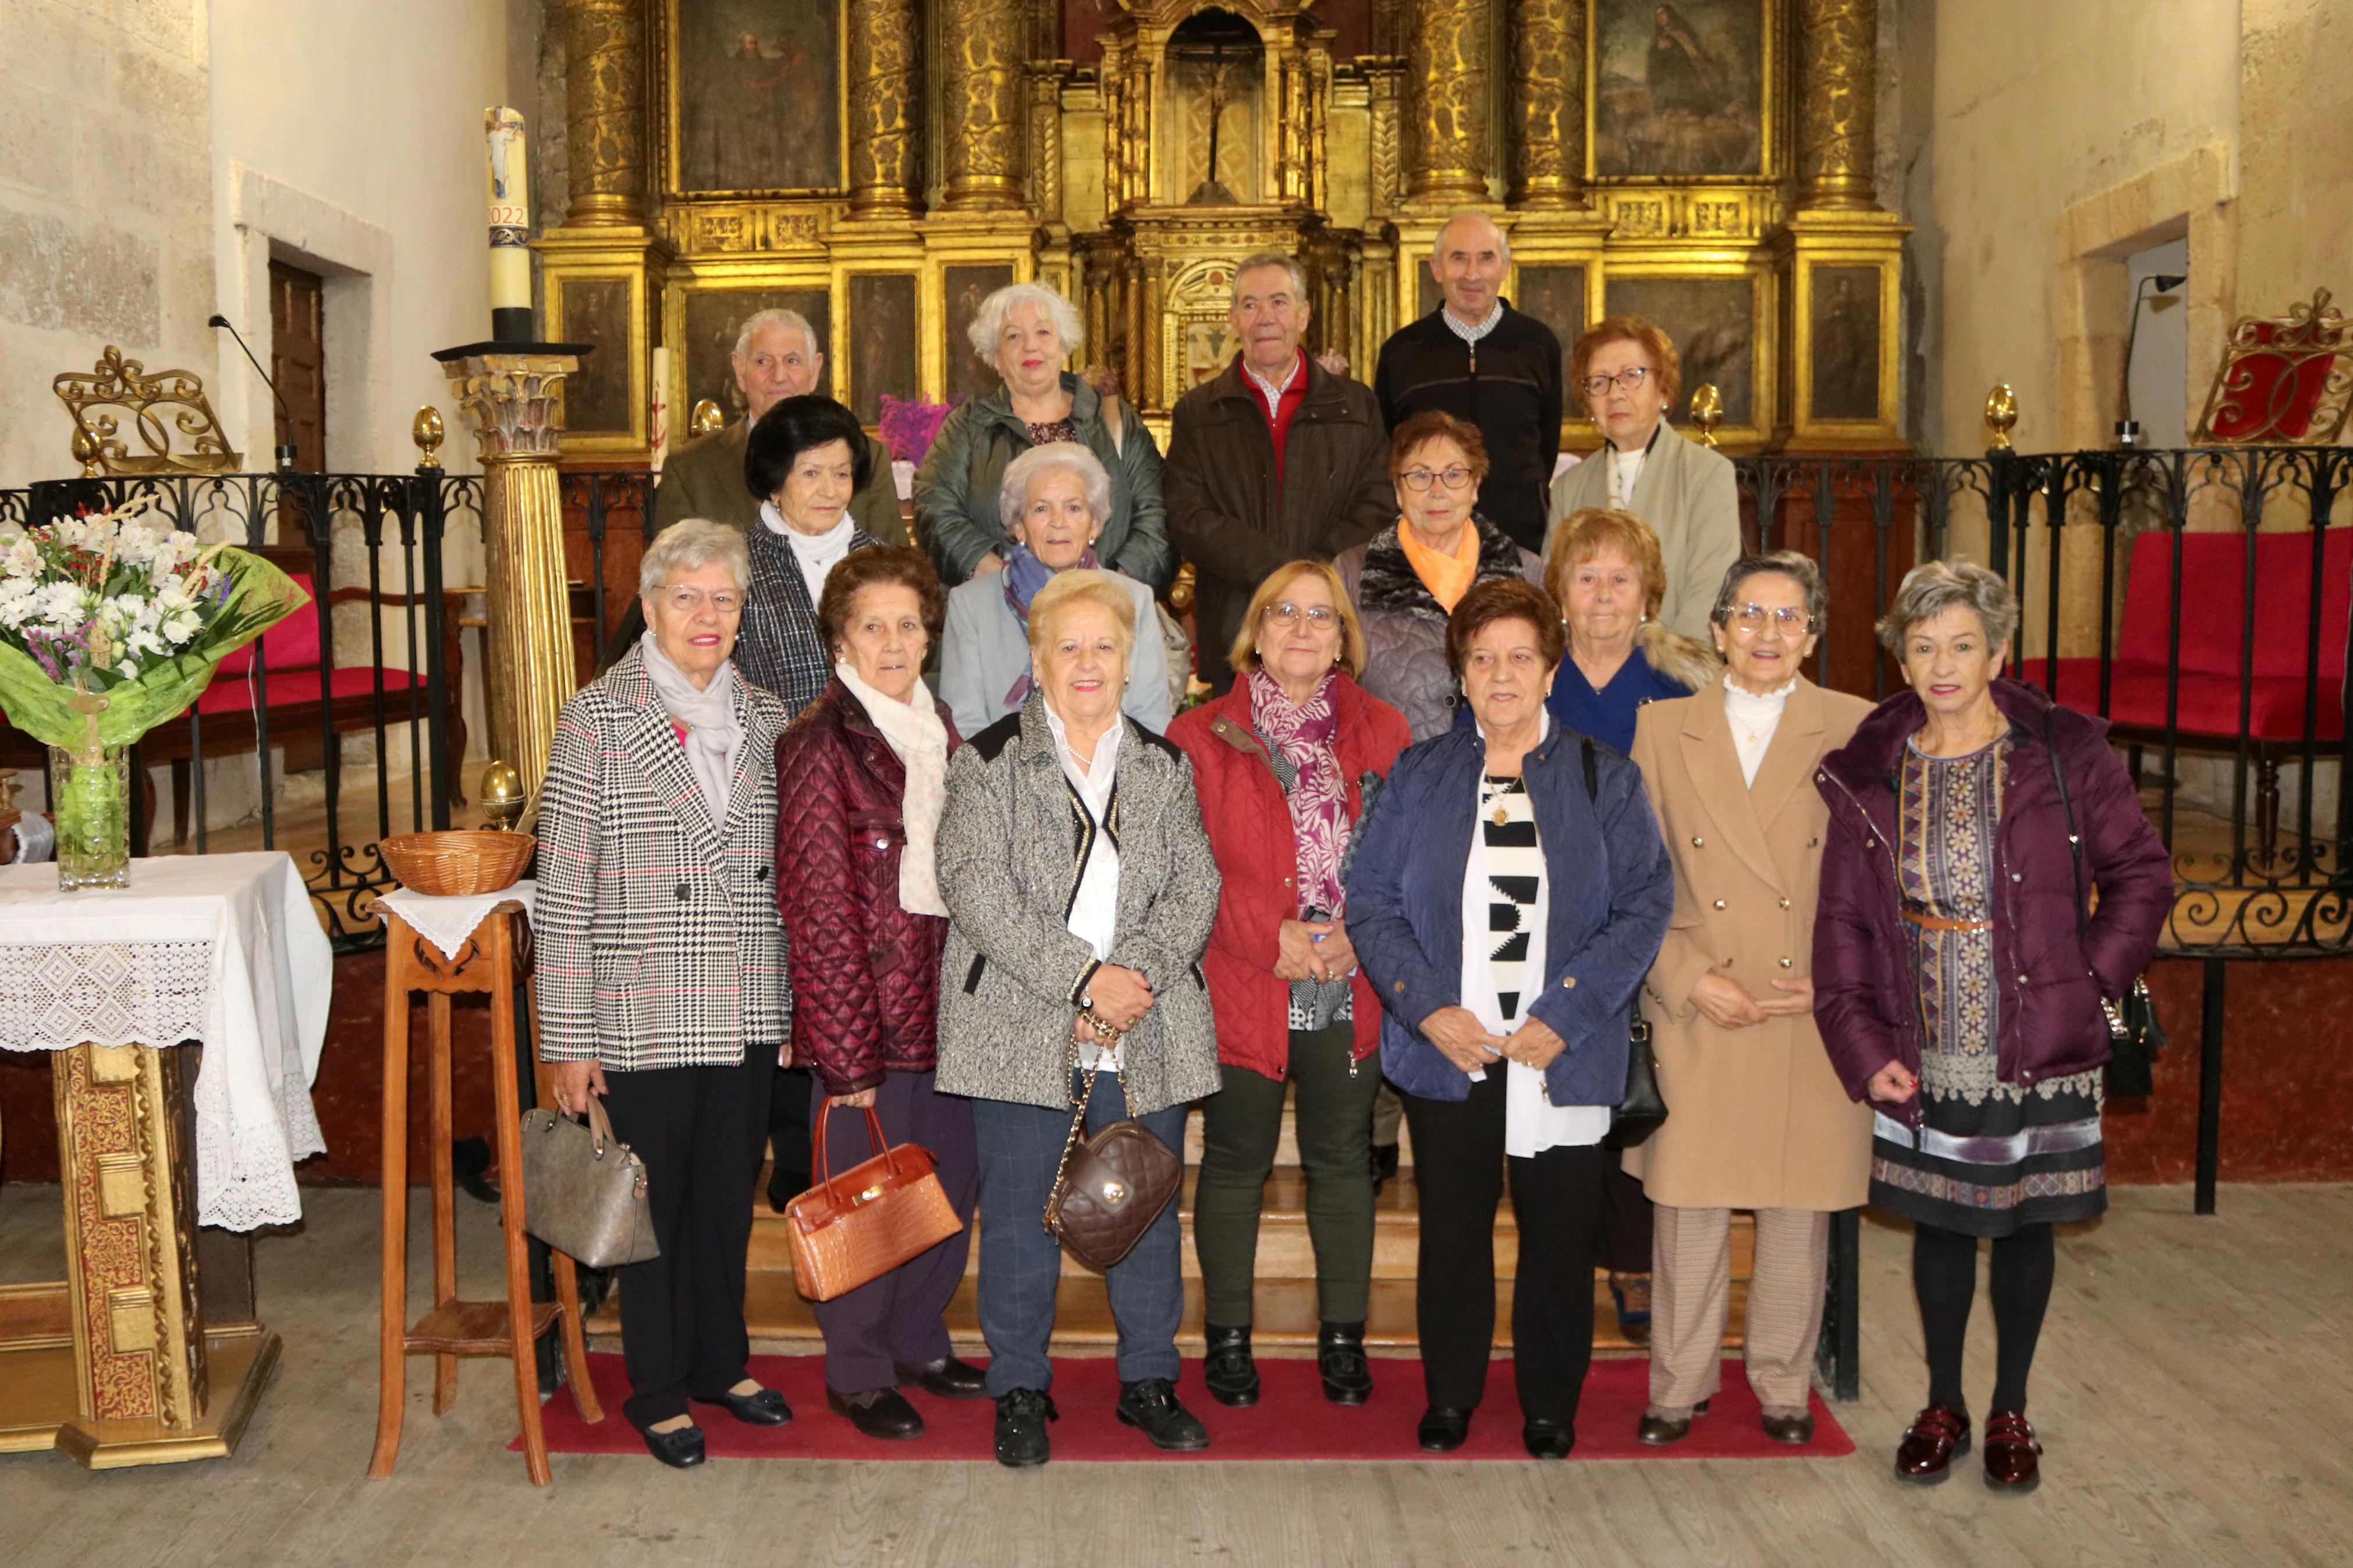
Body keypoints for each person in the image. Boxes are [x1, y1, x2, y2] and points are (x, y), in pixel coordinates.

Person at [1813, 560, 2172, 1492]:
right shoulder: (1870, 768)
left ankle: (2010, 1407)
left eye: (1961, 644)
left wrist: (2084, 977)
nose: (1940, 665)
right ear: (1900, 655)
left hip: (2037, 1038)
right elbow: (1843, 923)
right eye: (1921, 645)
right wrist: (1863, 1046)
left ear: (1998, 652)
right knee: (1938, 1224)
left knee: (2022, 1226)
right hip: (1919, 1033)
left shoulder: (2064, 751)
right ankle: (1943, 1404)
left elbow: (2141, 873)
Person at [1346, 577, 1674, 1460]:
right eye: (1481, 657)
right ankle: (1450, 1394)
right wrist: (1428, 1011)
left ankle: (1547, 1403)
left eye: (1518, 657)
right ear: (1459, 672)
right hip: (1449, 1047)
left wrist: (1565, 1014)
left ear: (1549, 668)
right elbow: (1370, 903)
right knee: (1452, 1230)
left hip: (1559, 1047)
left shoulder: (1604, 774)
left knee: (1557, 1235)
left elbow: (1644, 903)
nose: (1500, 673)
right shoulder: (1420, 773)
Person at [934, 569, 1223, 1468]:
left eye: (1104, 646)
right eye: (1069, 646)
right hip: (1022, 1022)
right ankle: (1018, 1384)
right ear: (1036, 657)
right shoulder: (984, 759)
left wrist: (1130, 976)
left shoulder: (1162, 761)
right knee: (1021, 1216)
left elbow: (1195, 882)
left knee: (1139, 1203)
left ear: (1127, 658)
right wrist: (1084, 980)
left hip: (1146, 1021)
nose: (1088, 662)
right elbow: (974, 888)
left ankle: (1146, 1379)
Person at [536, 519, 794, 1470]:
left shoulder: (767, 717)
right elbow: (561, 891)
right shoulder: (596, 718)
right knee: (650, 1207)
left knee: (726, 1201)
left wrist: (796, 1009)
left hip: (743, 1003)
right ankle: (653, 1386)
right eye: (686, 596)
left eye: (724, 598)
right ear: (648, 608)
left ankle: (718, 1363)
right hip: (639, 1007)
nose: (706, 615)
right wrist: (567, 1037)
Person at [1623, 552, 1873, 1448]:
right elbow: (1631, 879)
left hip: (1802, 997)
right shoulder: (1660, 727)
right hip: (1702, 995)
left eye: (1789, 618)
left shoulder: (1856, 725)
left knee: (1795, 1208)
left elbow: (1880, 875)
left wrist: (1846, 975)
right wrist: (1686, 977)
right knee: (1687, 1207)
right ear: (1718, 627)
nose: (1768, 635)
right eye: (1751, 616)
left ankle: (1780, 1384)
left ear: (1812, 634)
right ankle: (1675, 1385)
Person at [1169, 560, 1412, 1411]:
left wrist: (1359, 936)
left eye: (1321, 614)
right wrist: (1261, 933)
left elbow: (1405, 860)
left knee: (1342, 1162)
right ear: (1255, 630)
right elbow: (1177, 867)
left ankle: (1342, 1336)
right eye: (1284, 612)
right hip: (1244, 974)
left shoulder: (1385, 729)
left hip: (1349, 978)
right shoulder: (1198, 734)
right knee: (1234, 1161)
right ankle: (1227, 1336)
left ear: (1344, 636)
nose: (1303, 627)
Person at [772, 547, 986, 1442]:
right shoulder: (819, 743)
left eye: (907, 623)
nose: (892, 640)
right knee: (867, 1200)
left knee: (949, 1184)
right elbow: (817, 910)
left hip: (955, 1013)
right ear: (840, 639)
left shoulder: (941, 731)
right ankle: (857, 1366)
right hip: (872, 1020)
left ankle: (915, 1336)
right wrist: (845, 1057)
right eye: (872, 625)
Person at [1541, 507, 1717, 1342]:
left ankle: (1633, 1259)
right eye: (1586, 576)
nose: (1604, 593)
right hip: (1541, 907)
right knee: (1560, 1091)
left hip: (1649, 906)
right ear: (1560, 592)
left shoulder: (1683, 685)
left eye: (1620, 577)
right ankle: (1560, 1254)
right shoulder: (1531, 673)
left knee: (1633, 1089)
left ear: (1648, 591)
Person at [737, 392, 890, 1213]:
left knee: (851, 964)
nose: (829, 487)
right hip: (770, 789)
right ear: (774, 476)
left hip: (869, 794)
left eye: (840, 471)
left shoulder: (878, 555)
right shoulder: (736, 561)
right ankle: (791, 1150)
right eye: (810, 472)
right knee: (784, 968)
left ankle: (850, 1133)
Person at [1165, 251, 1394, 691]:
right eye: (1250, 305)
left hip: (1333, 624)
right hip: (1237, 628)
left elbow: (1378, 503)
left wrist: (1313, 576)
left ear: (1304, 314)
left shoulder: (1355, 405)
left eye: (1278, 302)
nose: (1264, 317)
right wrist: (1275, 573)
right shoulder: (1198, 412)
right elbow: (1187, 516)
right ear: (1233, 319)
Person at [914, 282, 1174, 592]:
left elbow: (1157, 512)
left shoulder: (1112, 419)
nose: (1030, 346)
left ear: (1063, 346)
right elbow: (934, 505)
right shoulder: (969, 424)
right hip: (998, 609)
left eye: (1043, 332)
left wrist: (1115, 589)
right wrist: (1001, 582)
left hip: (1107, 611)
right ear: (995, 357)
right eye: (1013, 337)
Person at [938, 443, 1172, 737]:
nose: (1058, 522)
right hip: (1004, 776)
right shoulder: (971, 604)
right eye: (1041, 509)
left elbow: (1150, 719)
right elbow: (965, 726)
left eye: (1073, 508)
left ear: (1095, 525)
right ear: (1019, 527)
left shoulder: (1135, 600)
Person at [1337, 410, 1543, 742]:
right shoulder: (1350, 573)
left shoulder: (1528, 573)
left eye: (1453, 475)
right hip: (1394, 780)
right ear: (1398, 491)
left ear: (1475, 487)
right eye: (1419, 476)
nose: (1437, 491)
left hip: (1503, 775)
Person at [1372, 213, 1563, 555]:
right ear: (1436, 268)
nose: (1473, 274)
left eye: (1486, 258)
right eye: (1459, 259)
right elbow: (1390, 453)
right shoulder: (1402, 353)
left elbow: (1545, 448)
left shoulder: (1537, 345)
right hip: (1427, 550)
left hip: (1520, 545)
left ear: (1505, 267)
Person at [1548, 315, 1741, 642]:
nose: (1615, 393)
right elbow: (1556, 593)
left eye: (1631, 376)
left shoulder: (1707, 474)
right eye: (1600, 382)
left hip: (1674, 677)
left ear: (1663, 389)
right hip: (1587, 669)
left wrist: (1659, 672)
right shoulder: (1571, 486)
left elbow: (1710, 591)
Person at [654, 308, 907, 547]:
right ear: (740, 371)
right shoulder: (689, 468)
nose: (778, 376)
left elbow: (894, 565)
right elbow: (671, 572)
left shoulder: (868, 458)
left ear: (815, 369)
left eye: (792, 361)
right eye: (763, 362)